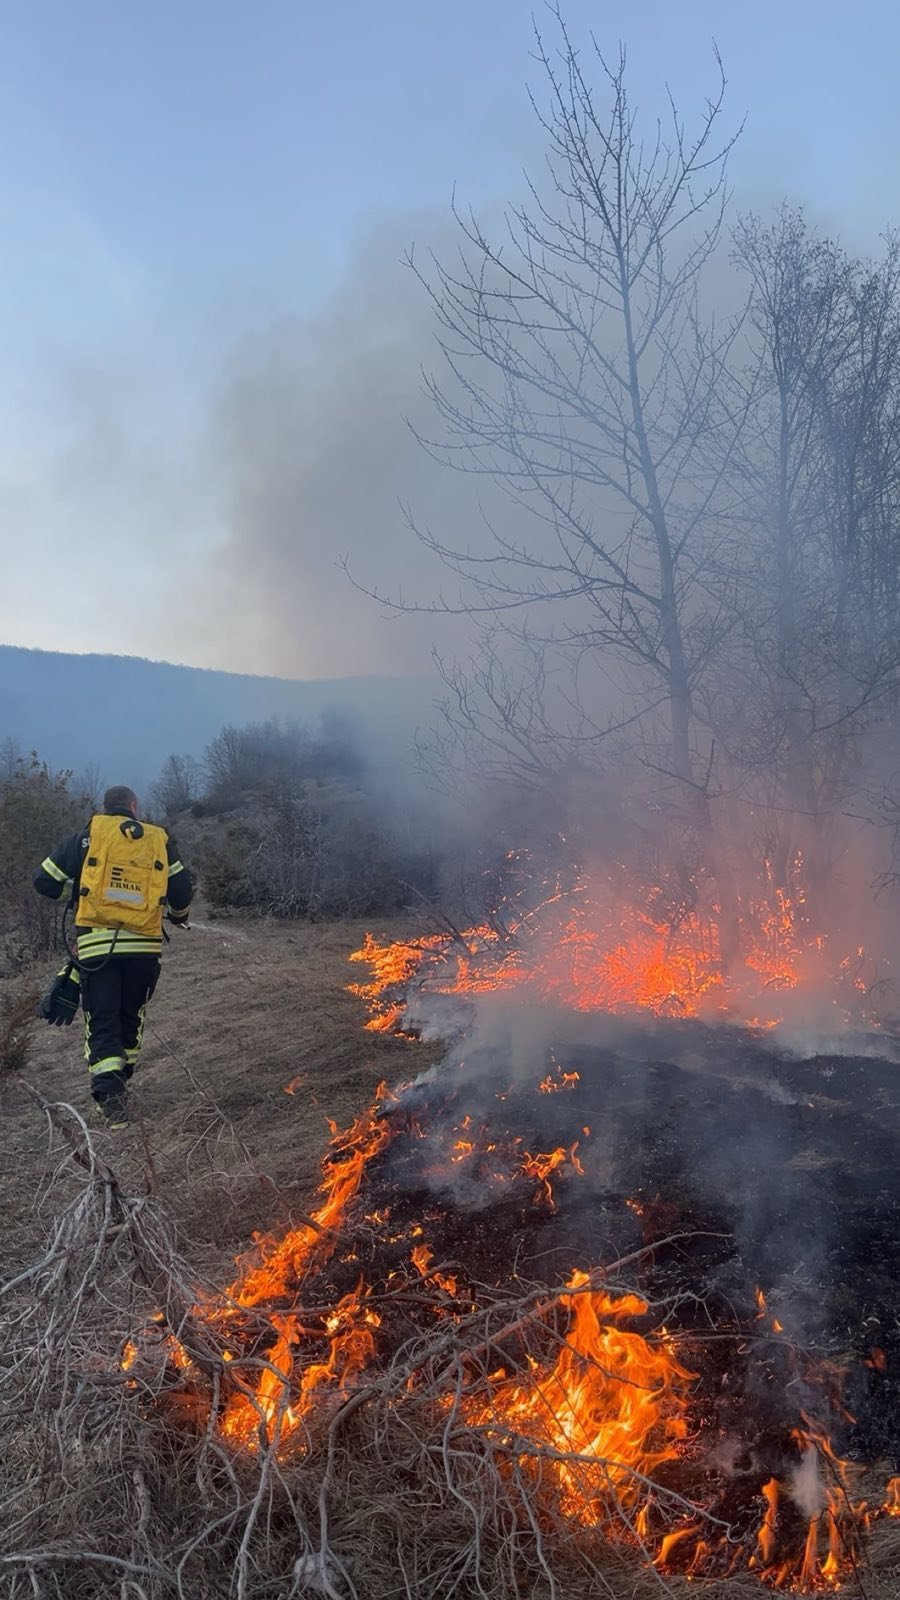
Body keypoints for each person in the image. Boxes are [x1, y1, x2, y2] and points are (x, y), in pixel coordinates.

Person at [34, 784, 192, 1128]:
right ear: (134, 807)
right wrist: (179, 916)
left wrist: (77, 894)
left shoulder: (86, 837)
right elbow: (182, 888)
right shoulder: (158, 839)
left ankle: (112, 1100)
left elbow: (43, 881)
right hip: (144, 948)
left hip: (97, 948)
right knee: (130, 1015)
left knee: (102, 1019)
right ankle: (120, 1083)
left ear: (105, 809)